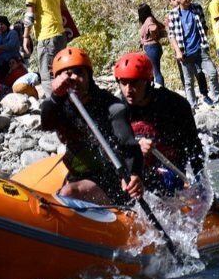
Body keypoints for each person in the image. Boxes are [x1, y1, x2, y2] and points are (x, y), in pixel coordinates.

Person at [39, 47, 143, 206]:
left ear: (89, 76)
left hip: (111, 177)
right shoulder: (60, 104)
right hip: (79, 173)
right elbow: (46, 124)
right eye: (67, 75)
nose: (73, 78)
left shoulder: (111, 106)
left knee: (68, 193)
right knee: (61, 194)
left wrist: (134, 174)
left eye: (79, 73)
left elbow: (128, 146)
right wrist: (55, 97)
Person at [113, 52, 205, 194]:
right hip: (135, 168)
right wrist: (136, 147)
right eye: (123, 83)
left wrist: (203, 186)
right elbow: (111, 146)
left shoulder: (175, 105)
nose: (128, 90)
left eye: (134, 83)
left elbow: (194, 148)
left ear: (148, 81)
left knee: (169, 181)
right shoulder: (117, 109)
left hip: (169, 168)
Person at [166, 0, 219, 109]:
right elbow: (171, 35)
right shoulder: (173, 15)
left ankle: (217, 100)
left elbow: (204, 26)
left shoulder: (197, 8)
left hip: (200, 49)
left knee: (212, 73)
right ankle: (192, 106)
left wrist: (204, 42)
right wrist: (178, 51)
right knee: (189, 81)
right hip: (185, 52)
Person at [20, 0, 68, 97]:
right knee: (61, 71)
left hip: (47, 36)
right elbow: (63, 8)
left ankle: (54, 109)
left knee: (48, 76)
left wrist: (25, 37)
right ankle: (67, 104)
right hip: (60, 34)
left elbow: (30, 15)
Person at [138, 3, 167, 87]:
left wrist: (154, 36)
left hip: (152, 47)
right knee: (153, 71)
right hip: (151, 47)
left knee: (156, 71)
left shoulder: (149, 19)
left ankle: (160, 90)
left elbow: (153, 28)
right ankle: (155, 89)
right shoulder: (149, 19)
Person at [0, 15, 22, 86]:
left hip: (13, 63)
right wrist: (4, 48)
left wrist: (0, 48)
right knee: (5, 84)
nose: (0, 26)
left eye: (2, 24)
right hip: (1, 65)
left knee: (16, 83)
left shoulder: (13, 33)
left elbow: (11, 45)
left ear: (6, 24)